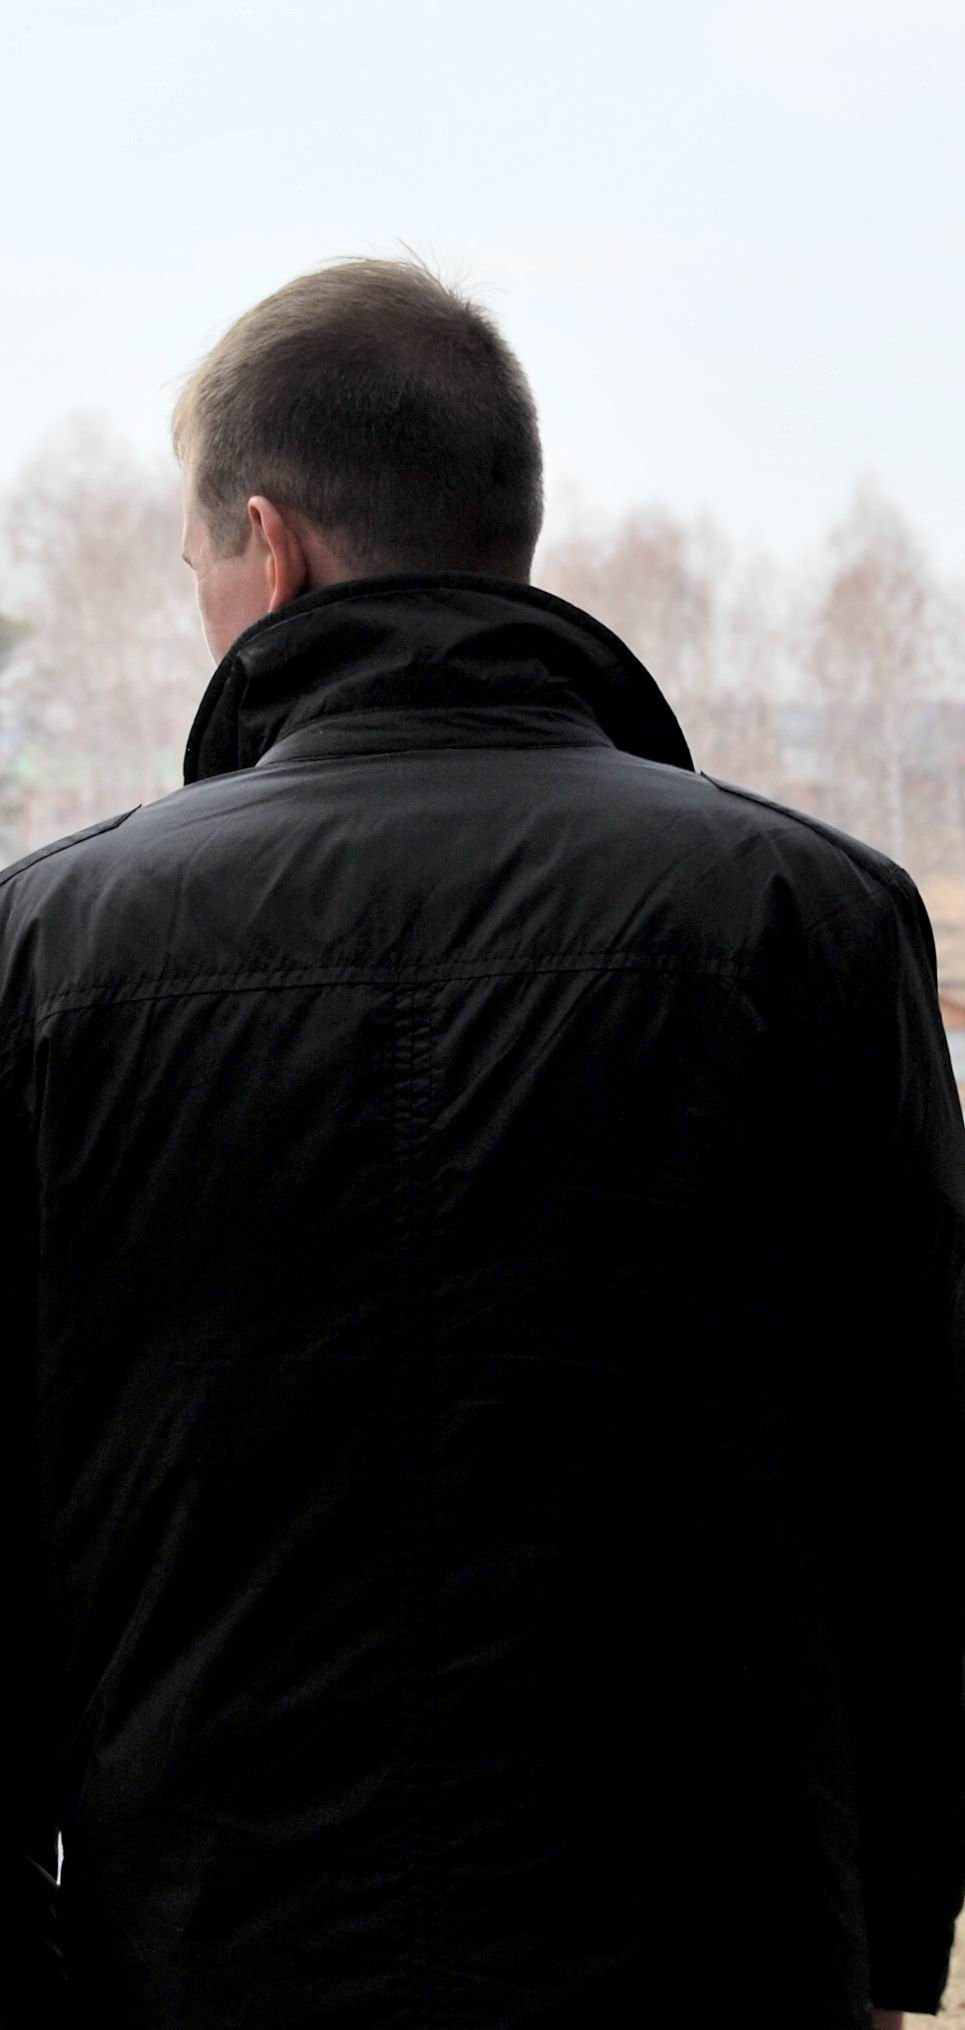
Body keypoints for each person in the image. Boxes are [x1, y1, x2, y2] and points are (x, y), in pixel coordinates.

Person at [0, 256, 962, 2030]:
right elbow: (908, 1479)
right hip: (706, 1960)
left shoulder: (55, 953)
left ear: (269, 549)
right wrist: (884, 1936)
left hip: (205, 1961)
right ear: (503, 529)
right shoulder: (808, 922)